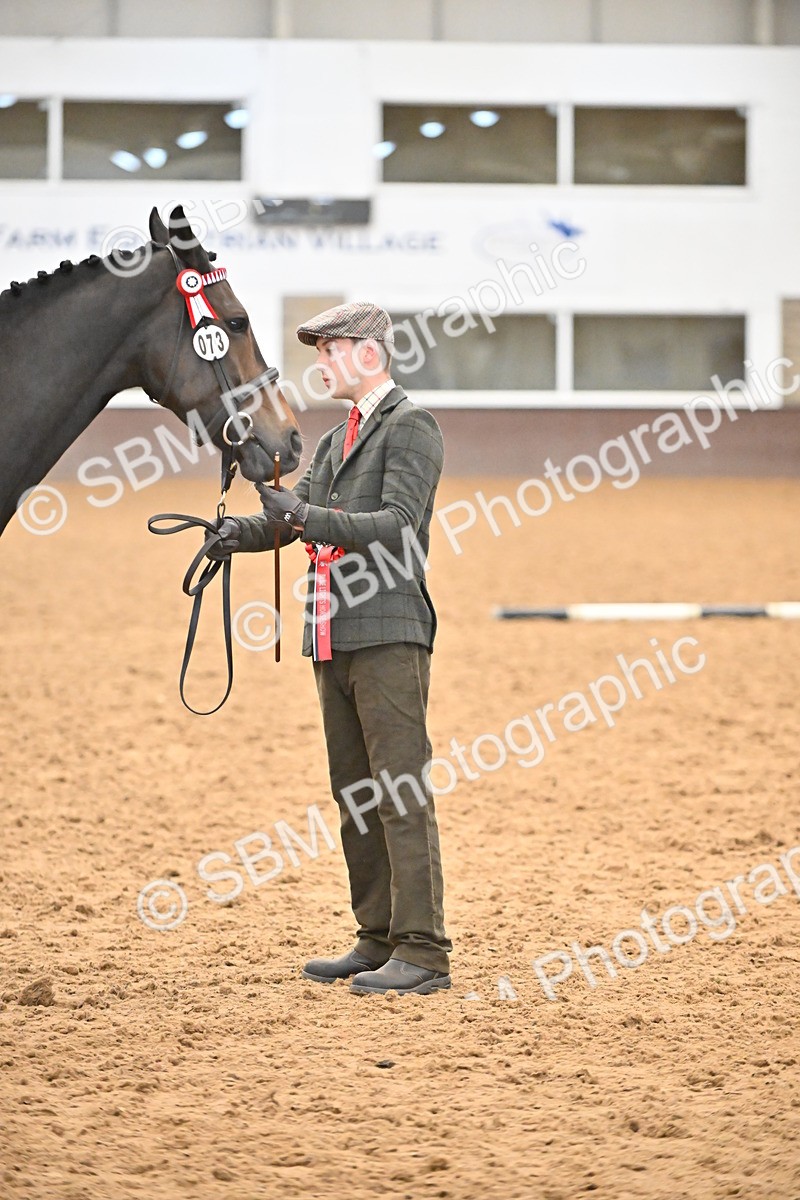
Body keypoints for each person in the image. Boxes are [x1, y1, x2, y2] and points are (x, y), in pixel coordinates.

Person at [214, 301, 452, 996]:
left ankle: (424, 950)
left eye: (330, 351)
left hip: (389, 630)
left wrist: (307, 516)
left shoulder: (412, 427)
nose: (320, 364)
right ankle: (377, 937)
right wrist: (240, 534)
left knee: (400, 793)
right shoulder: (333, 442)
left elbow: (400, 526)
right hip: (333, 633)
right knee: (355, 795)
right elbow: (291, 519)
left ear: (369, 354)